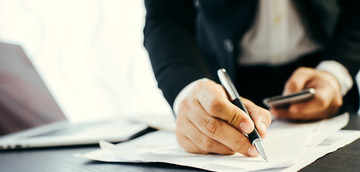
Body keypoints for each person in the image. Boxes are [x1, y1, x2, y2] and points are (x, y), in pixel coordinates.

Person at [143, 0, 360, 156]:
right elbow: (166, 16)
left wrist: (335, 72)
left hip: (325, 78)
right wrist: (188, 90)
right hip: (226, 87)